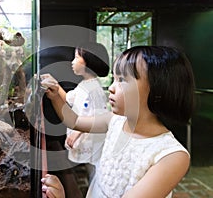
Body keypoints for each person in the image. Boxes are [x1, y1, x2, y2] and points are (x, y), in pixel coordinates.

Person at [40, 45, 195, 198]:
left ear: (158, 88)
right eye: (114, 79)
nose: (112, 88)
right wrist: (55, 97)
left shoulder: (171, 156)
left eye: (122, 79)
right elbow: (74, 121)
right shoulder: (115, 121)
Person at [41, 42, 110, 175]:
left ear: (88, 62)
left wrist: (77, 133)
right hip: (84, 138)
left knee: (93, 171)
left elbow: (99, 116)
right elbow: (68, 98)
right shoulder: (85, 84)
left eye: (76, 57)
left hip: (89, 140)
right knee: (88, 169)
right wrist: (54, 83)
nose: (72, 62)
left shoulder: (94, 88)